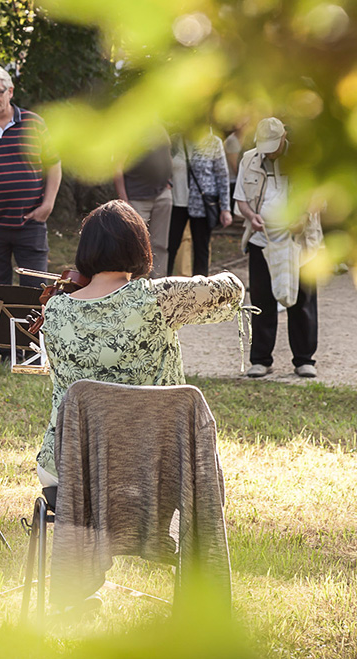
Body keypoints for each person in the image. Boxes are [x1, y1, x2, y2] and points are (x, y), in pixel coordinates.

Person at [35, 200, 243, 486]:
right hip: (149, 466)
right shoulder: (159, 298)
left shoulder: (54, 309)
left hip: (67, 465)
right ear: (139, 247)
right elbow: (232, 289)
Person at [234, 117, 323, 379]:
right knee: (262, 300)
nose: (270, 151)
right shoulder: (249, 159)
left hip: (300, 241)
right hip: (262, 240)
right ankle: (261, 359)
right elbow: (240, 199)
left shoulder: (304, 158)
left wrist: (303, 217)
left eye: (274, 145)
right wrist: (251, 217)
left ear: (284, 139)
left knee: (303, 300)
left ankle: (304, 360)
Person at [0, 66, 61, 289]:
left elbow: (54, 163)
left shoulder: (34, 124)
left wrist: (49, 203)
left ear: (10, 91)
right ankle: (2, 326)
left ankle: (31, 326)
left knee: (36, 290)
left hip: (30, 222)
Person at [167, 131, 233, 277]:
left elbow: (222, 176)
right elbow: (164, 166)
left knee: (201, 250)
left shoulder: (213, 142)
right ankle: (164, 286)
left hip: (202, 204)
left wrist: (225, 208)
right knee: (170, 248)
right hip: (176, 202)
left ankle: (200, 290)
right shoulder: (174, 141)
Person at [114, 128, 173, 277]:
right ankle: (130, 284)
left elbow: (166, 156)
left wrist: (168, 180)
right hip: (136, 198)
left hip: (162, 195)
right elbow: (117, 168)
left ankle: (158, 285)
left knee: (160, 244)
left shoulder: (161, 130)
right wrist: (124, 200)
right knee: (134, 245)